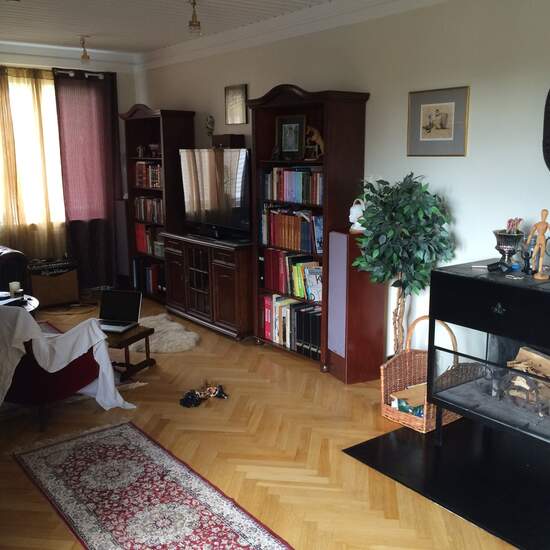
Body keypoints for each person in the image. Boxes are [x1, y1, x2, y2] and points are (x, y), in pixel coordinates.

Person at [527, 208, 550, 280]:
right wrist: (527, 242)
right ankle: (534, 269)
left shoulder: (547, 224)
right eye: (543, 214)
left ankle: (540, 271)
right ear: (541, 215)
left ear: (547, 216)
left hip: (542, 239)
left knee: (541, 257)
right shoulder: (537, 224)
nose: (544, 216)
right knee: (533, 256)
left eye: (545, 215)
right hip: (538, 240)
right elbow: (531, 233)